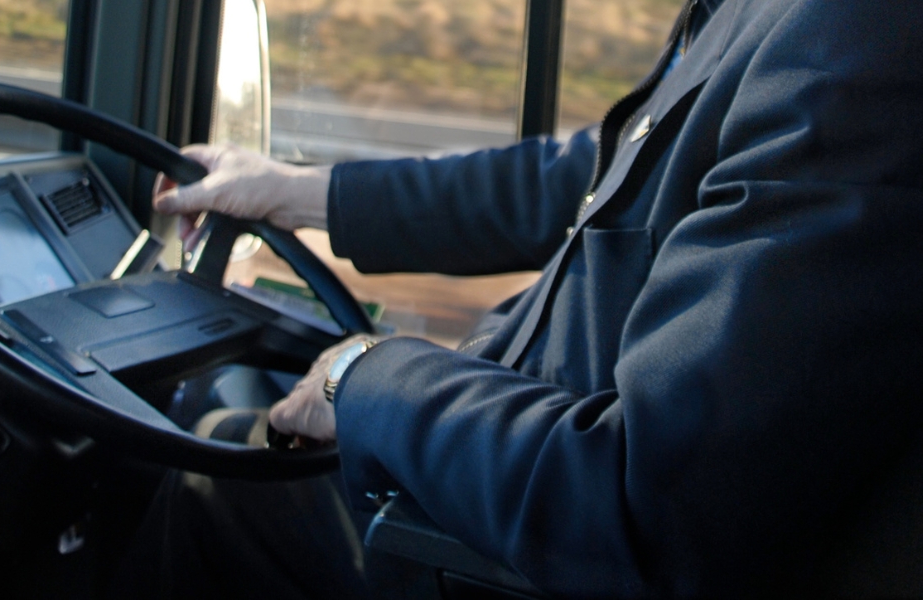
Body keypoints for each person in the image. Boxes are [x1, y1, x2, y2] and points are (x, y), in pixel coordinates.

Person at [126, 0, 923, 596]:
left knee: (209, 478)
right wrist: (300, 194)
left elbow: (648, 507)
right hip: (515, 461)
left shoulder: (851, 40)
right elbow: (590, 177)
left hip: (512, 552)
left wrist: (366, 376)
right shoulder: (762, 18)